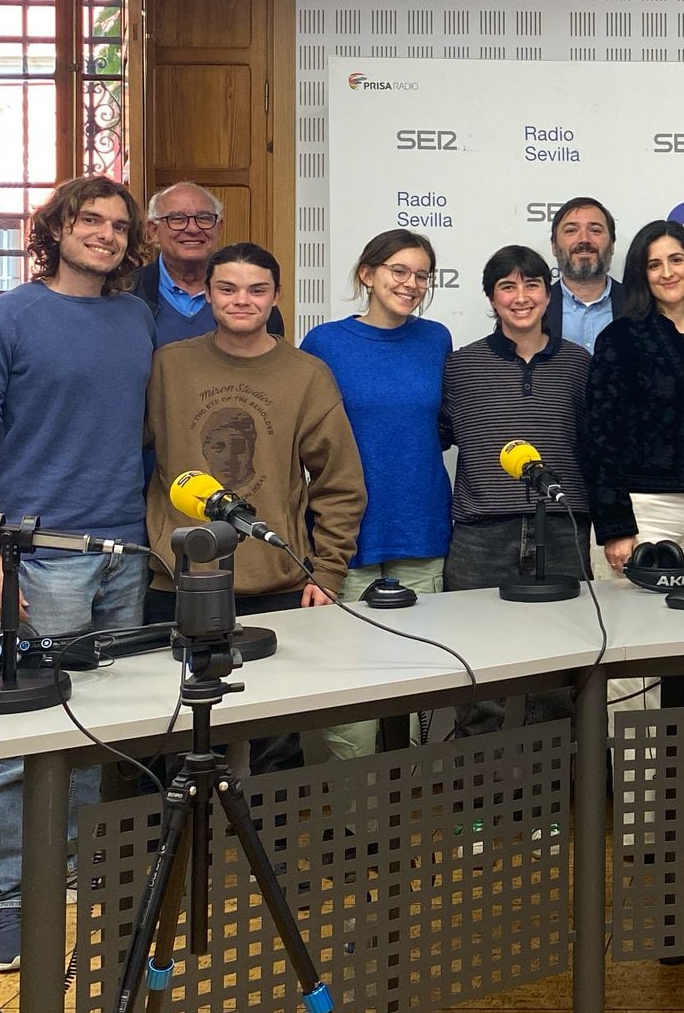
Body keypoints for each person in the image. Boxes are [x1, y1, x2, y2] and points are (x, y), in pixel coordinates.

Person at [0, 175, 156, 972]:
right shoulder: (5, 318)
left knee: (96, 727)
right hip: (39, 557)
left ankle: (70, 870)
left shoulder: (135, 319)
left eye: (117, 225)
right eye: (89, 219)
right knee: (17, 732)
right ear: (55, 227)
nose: (104, 233)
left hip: (121, 555)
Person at [143, 242, 366, 623]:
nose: (241, 300)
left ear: (276, 296)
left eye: (257, 290)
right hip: (179, 579)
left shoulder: (307, 375)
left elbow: (340, 483)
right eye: (228, 289)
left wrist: (329, 569)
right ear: (209, 294)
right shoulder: (168, 365)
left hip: (279, 582)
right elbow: (117, 451)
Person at [299, 228, 454, 759]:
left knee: (416, 686)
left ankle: (400, 815)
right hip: (347, 537)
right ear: (367, 274)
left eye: (421, 275)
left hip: (421, 528)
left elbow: (443, 424)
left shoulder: (436, 340)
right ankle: (354, 826)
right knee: (351, 691)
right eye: (399, 271)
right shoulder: (324, 344)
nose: (410, 284)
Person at [440, 244, 595, 730]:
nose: (521, 296)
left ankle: (553, 798)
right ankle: (479, 799)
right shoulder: (459, 367)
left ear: (548, 295)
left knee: (557, 678)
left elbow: (593, 444)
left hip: (564, 531)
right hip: (481, 535)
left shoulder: (579, 363)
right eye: (507, 286)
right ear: (491, 298)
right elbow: (439, 433)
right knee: (477, 679)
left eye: (531, 285)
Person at [584, 220, 684, 578]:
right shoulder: (620, 337)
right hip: (642, 512)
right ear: (642, 274)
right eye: (654, 265)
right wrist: (616, 525)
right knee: (634, 630)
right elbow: (598, 436)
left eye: (676, 260)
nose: (667, 273)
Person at [130, 181, 285, 346]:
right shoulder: (128, 292)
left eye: (204, 218)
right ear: (153, 230)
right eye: (177, 219)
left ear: (219, 229)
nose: (192, 229)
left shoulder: (253, 301)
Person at [543, 196, 620, 354]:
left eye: (595, 230)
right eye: (571, 230)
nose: (584, 239)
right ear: (554, 247)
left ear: (612, 245)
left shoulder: (640, 306)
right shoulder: (536, 309)